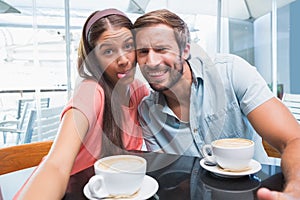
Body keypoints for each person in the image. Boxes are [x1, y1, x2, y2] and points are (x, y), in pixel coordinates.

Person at [134, 9, 300, 200]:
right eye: (143, 52)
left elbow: (293, 139)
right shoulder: (147, 112)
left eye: (162, 49)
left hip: (257, 192)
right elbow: (166, 174)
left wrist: (295, 189)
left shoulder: (231, 72)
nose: (152, 61)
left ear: (186, 50)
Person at [15, 8, 149, 199]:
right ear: (94, 60)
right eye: (109, 51)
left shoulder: (138, 90)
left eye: (128, 46)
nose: (123, 60)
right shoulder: (91, 91)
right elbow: (56, 165)